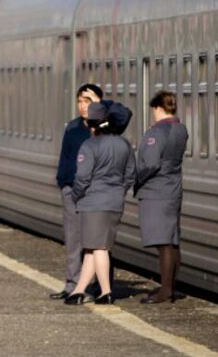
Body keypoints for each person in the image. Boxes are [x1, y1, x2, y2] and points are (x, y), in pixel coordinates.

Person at [66, 100, 135, 306]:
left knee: (99, 248)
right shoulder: (124, 144)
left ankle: (106, 292)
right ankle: (79, 291)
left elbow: (83, 177)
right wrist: (118, 192)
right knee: (91, 248)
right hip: (114, 202)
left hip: (93, 202)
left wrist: (76, 195)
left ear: (90, 123)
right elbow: (130, 175)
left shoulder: (89, 146)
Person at [134, 90, 189, 304]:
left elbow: (150, 163)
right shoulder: (180, 129)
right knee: (172, 241)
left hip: (156, 192)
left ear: (157, 108)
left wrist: (136, 177)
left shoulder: (156, 133)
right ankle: (170, 286)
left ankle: (166, 291)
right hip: (173, 189)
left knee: (163, 242)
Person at [49, 83, 103, 300]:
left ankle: (98, 285)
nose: (82, 106)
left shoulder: (103, 126)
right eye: (80, 101)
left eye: (87, 101)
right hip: (71, 189)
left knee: (96, 240)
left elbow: (125, 115)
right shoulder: (72, 127)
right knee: (73, 239)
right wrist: (62, 182)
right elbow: (65, 156)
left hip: (94, 191)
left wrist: (100, 106)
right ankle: (72, 284)